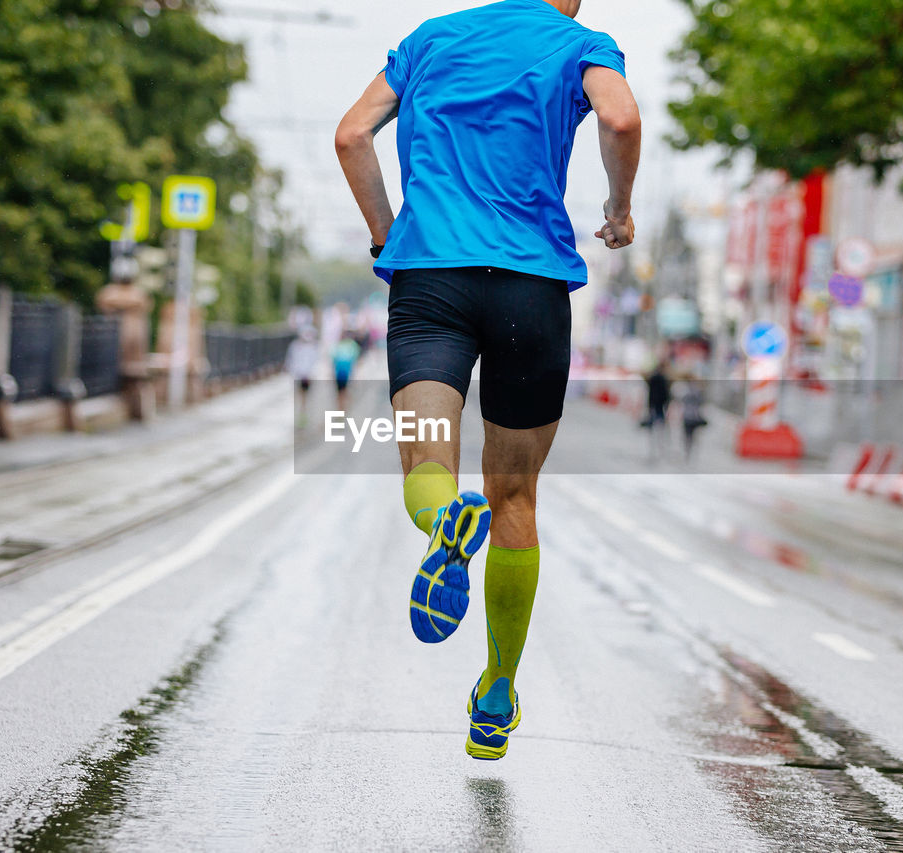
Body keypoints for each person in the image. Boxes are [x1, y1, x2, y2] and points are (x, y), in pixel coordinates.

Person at [336, 0, 639, 760]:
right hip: (530, 290)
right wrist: (619, 207)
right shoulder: (581, 43)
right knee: (515, 496)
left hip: (431, 279)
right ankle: (497, 689)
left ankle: (444, 523)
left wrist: (386, 234)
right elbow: (622, 119)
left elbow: (349, 135)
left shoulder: (430, 39)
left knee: (426, 461)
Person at [332, 332, 362, 409]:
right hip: (342, 373)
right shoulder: (351, 345)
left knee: (342, 393)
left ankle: (342, 408)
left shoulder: (348, 345)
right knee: (342, 392)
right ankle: (342, 408)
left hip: (343, 373)